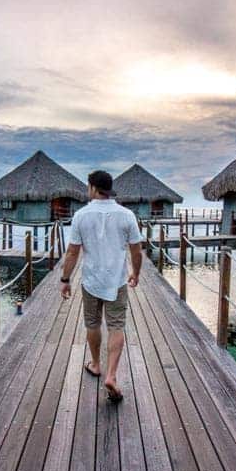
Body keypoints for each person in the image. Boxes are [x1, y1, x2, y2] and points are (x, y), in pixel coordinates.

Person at [59, 170, 143, 402]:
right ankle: (112, 375)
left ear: (94, 188)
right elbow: (136, 250)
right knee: (116, 326)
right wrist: (135, 273)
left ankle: (96, 364)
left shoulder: (81, 216)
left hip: (91, 281)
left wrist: (65, 279)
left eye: (88, 186)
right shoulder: (126, 215)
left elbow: (72, 252)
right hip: (117, 281)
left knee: (93, 323)